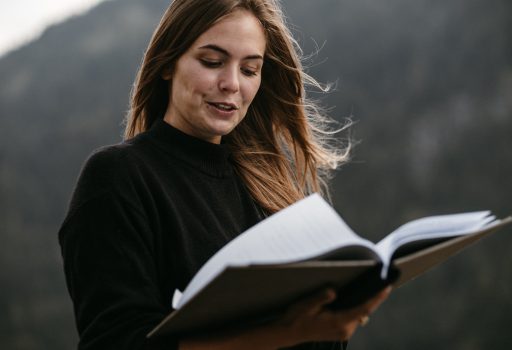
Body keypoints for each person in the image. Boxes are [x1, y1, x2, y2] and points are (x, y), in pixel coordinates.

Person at [58, 0, 391, 349]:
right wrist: (285, 333)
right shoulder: (118, 178)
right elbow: (117, 342)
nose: (231, 83)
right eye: (212, 62)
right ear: (168, 62)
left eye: (249, 70)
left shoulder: (270, 194)